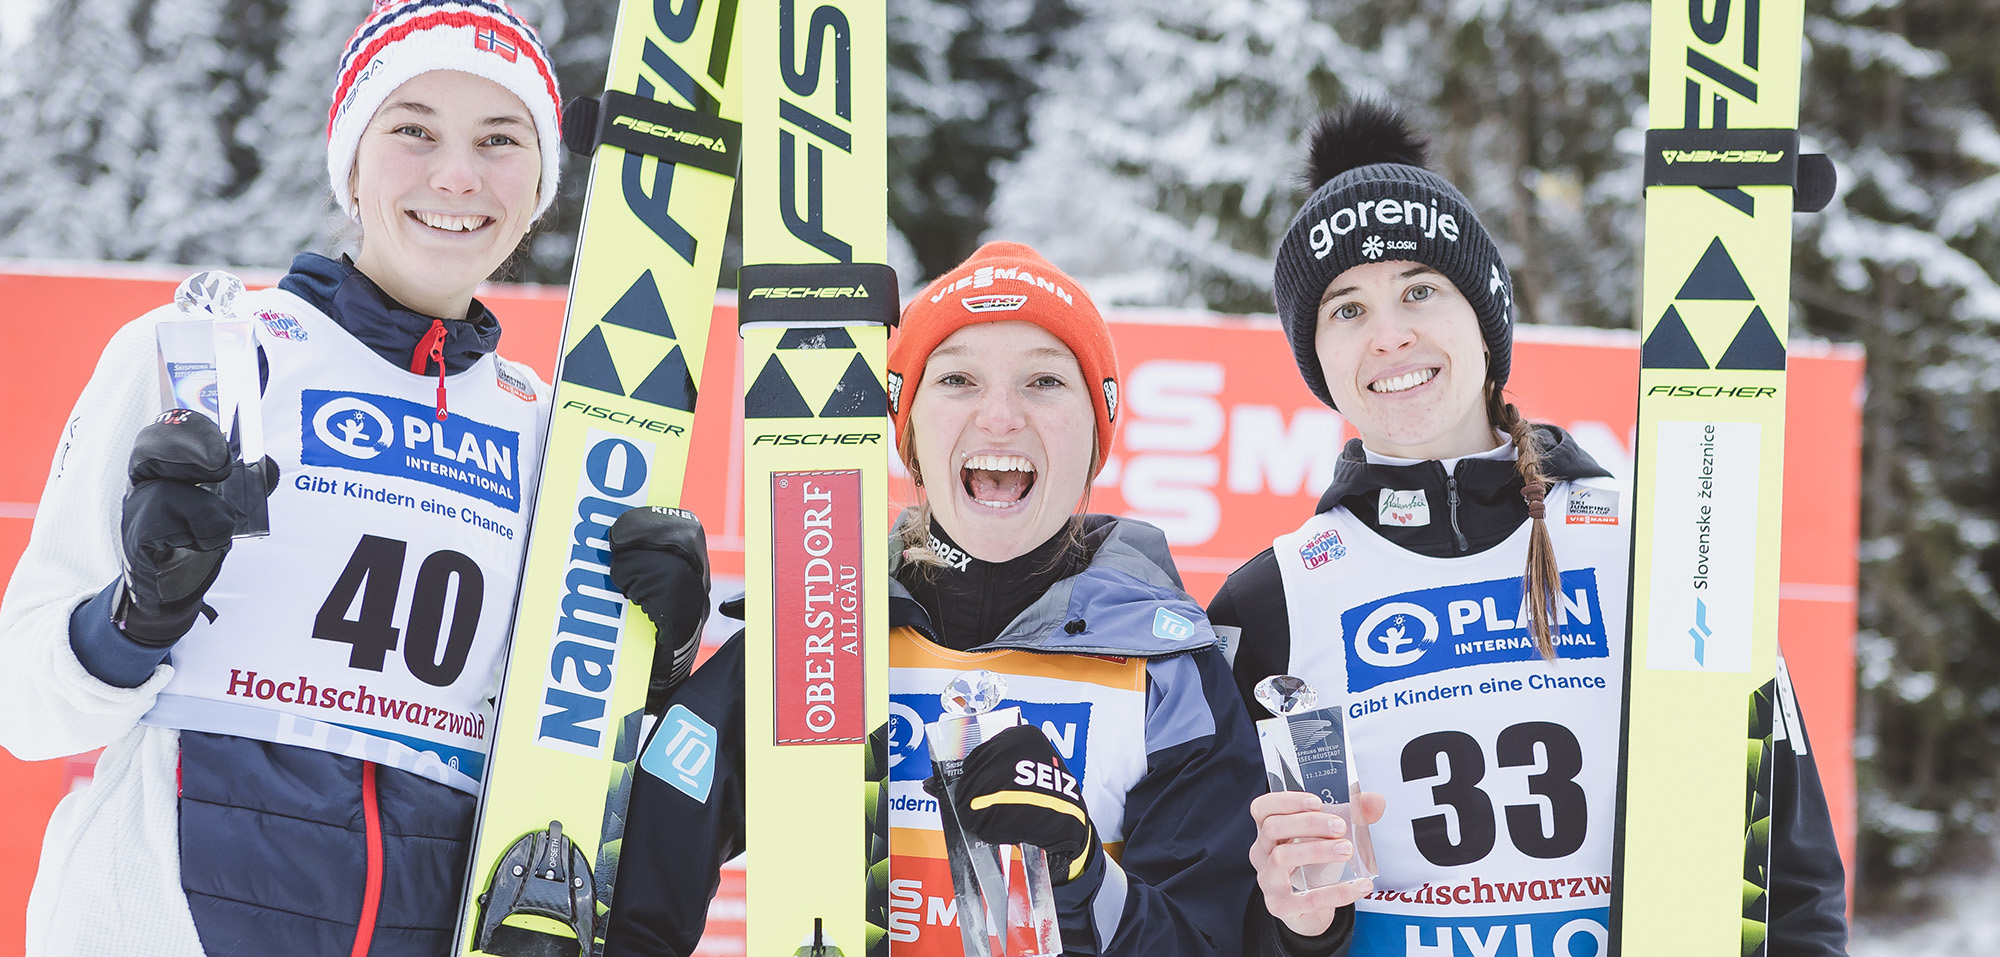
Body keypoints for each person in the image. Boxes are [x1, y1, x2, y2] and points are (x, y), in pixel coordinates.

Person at [0, 3, 710, 954]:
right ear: (351, 161)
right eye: (413, 130)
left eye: (500, 140)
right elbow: (25, 706)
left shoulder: (557, 434)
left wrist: (658, 661)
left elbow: (571, 758)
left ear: (541, 181)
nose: (457, 176)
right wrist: (137, 615)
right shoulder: (205, 360)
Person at [1206, 103, 1851, 956]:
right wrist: (1304, 927)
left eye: (1419, 289)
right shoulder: (1269, 606)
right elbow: (1214, 917)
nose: (1389, 333)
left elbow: (1789, 881)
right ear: (1316, 356)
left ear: (1486, 319)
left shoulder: (1660, 551)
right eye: (1346, 310)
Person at [604, 241, 1264, 957]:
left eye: (1044, 380)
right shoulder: (819, 627)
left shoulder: (1169, 673)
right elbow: (635, 891)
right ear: (909, 426)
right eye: (957, 380)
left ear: (1098, 428)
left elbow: (1208, 939)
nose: (1001, 415)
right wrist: (652, 671)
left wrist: (1081, 876)